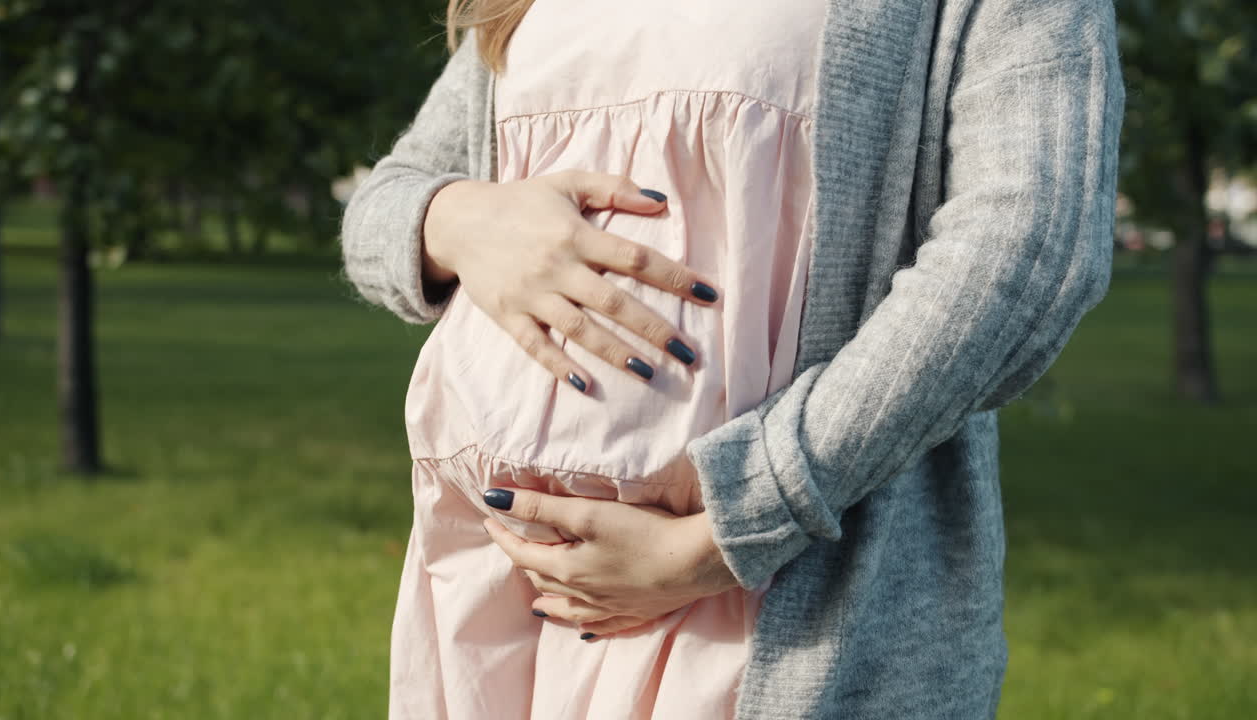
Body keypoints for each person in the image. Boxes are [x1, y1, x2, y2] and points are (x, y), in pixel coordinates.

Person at [339, 0, 1125, 718]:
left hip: (786, 609)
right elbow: (386, 203)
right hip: (504, 595)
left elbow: (1026, 248)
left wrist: (731, 527)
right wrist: (458, 218)